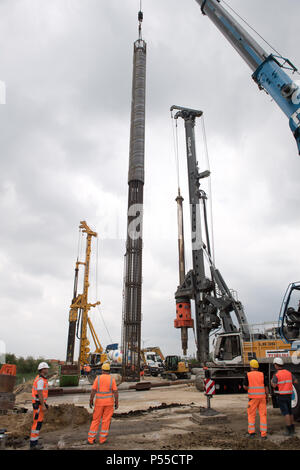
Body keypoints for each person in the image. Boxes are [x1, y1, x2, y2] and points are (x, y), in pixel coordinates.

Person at [87, 362, 119, 445]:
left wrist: (91, 400)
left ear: (102, 370)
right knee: (106, 421)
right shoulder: (112, 379)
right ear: (109, 370)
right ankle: (102, 439)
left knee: (95, 420)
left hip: (99, 403)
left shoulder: (98, 378)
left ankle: (91, 439)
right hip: (109, 403)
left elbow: (93, 390)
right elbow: (115, 392)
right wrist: (116, 402)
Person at [271, 357, 298, 436]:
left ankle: (288, 430)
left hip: (282, 395)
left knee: (285, 413)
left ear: (276, 365)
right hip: (289, 395)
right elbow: (296, 381)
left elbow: (274, 385)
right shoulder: (289, 372)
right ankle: (292, 429)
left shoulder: (277, 374)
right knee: (290, 412)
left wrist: (271, 382)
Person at [243, 359, 269, 439]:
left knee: (251, 415)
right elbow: (266, 387)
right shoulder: (262, 374)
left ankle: (252, 433)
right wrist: (267, 396)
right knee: (263, 415)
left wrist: (250, 389)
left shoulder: (248, 375)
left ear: (251, 367)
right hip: (262, 398)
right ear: (257, 367)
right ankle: (263, 434)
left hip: (253, 398)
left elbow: (245, 386)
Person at [30, 362, 50, 450]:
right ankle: (33, 445)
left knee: (38, 423)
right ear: (42, 370)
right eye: (46, 369)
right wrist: (43, 405)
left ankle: (35, 442)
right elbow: (40, 394)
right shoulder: (41, 380)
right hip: (38, 405)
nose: (48, 370)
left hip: (38, 404)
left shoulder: (40, 379)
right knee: (37, 424)